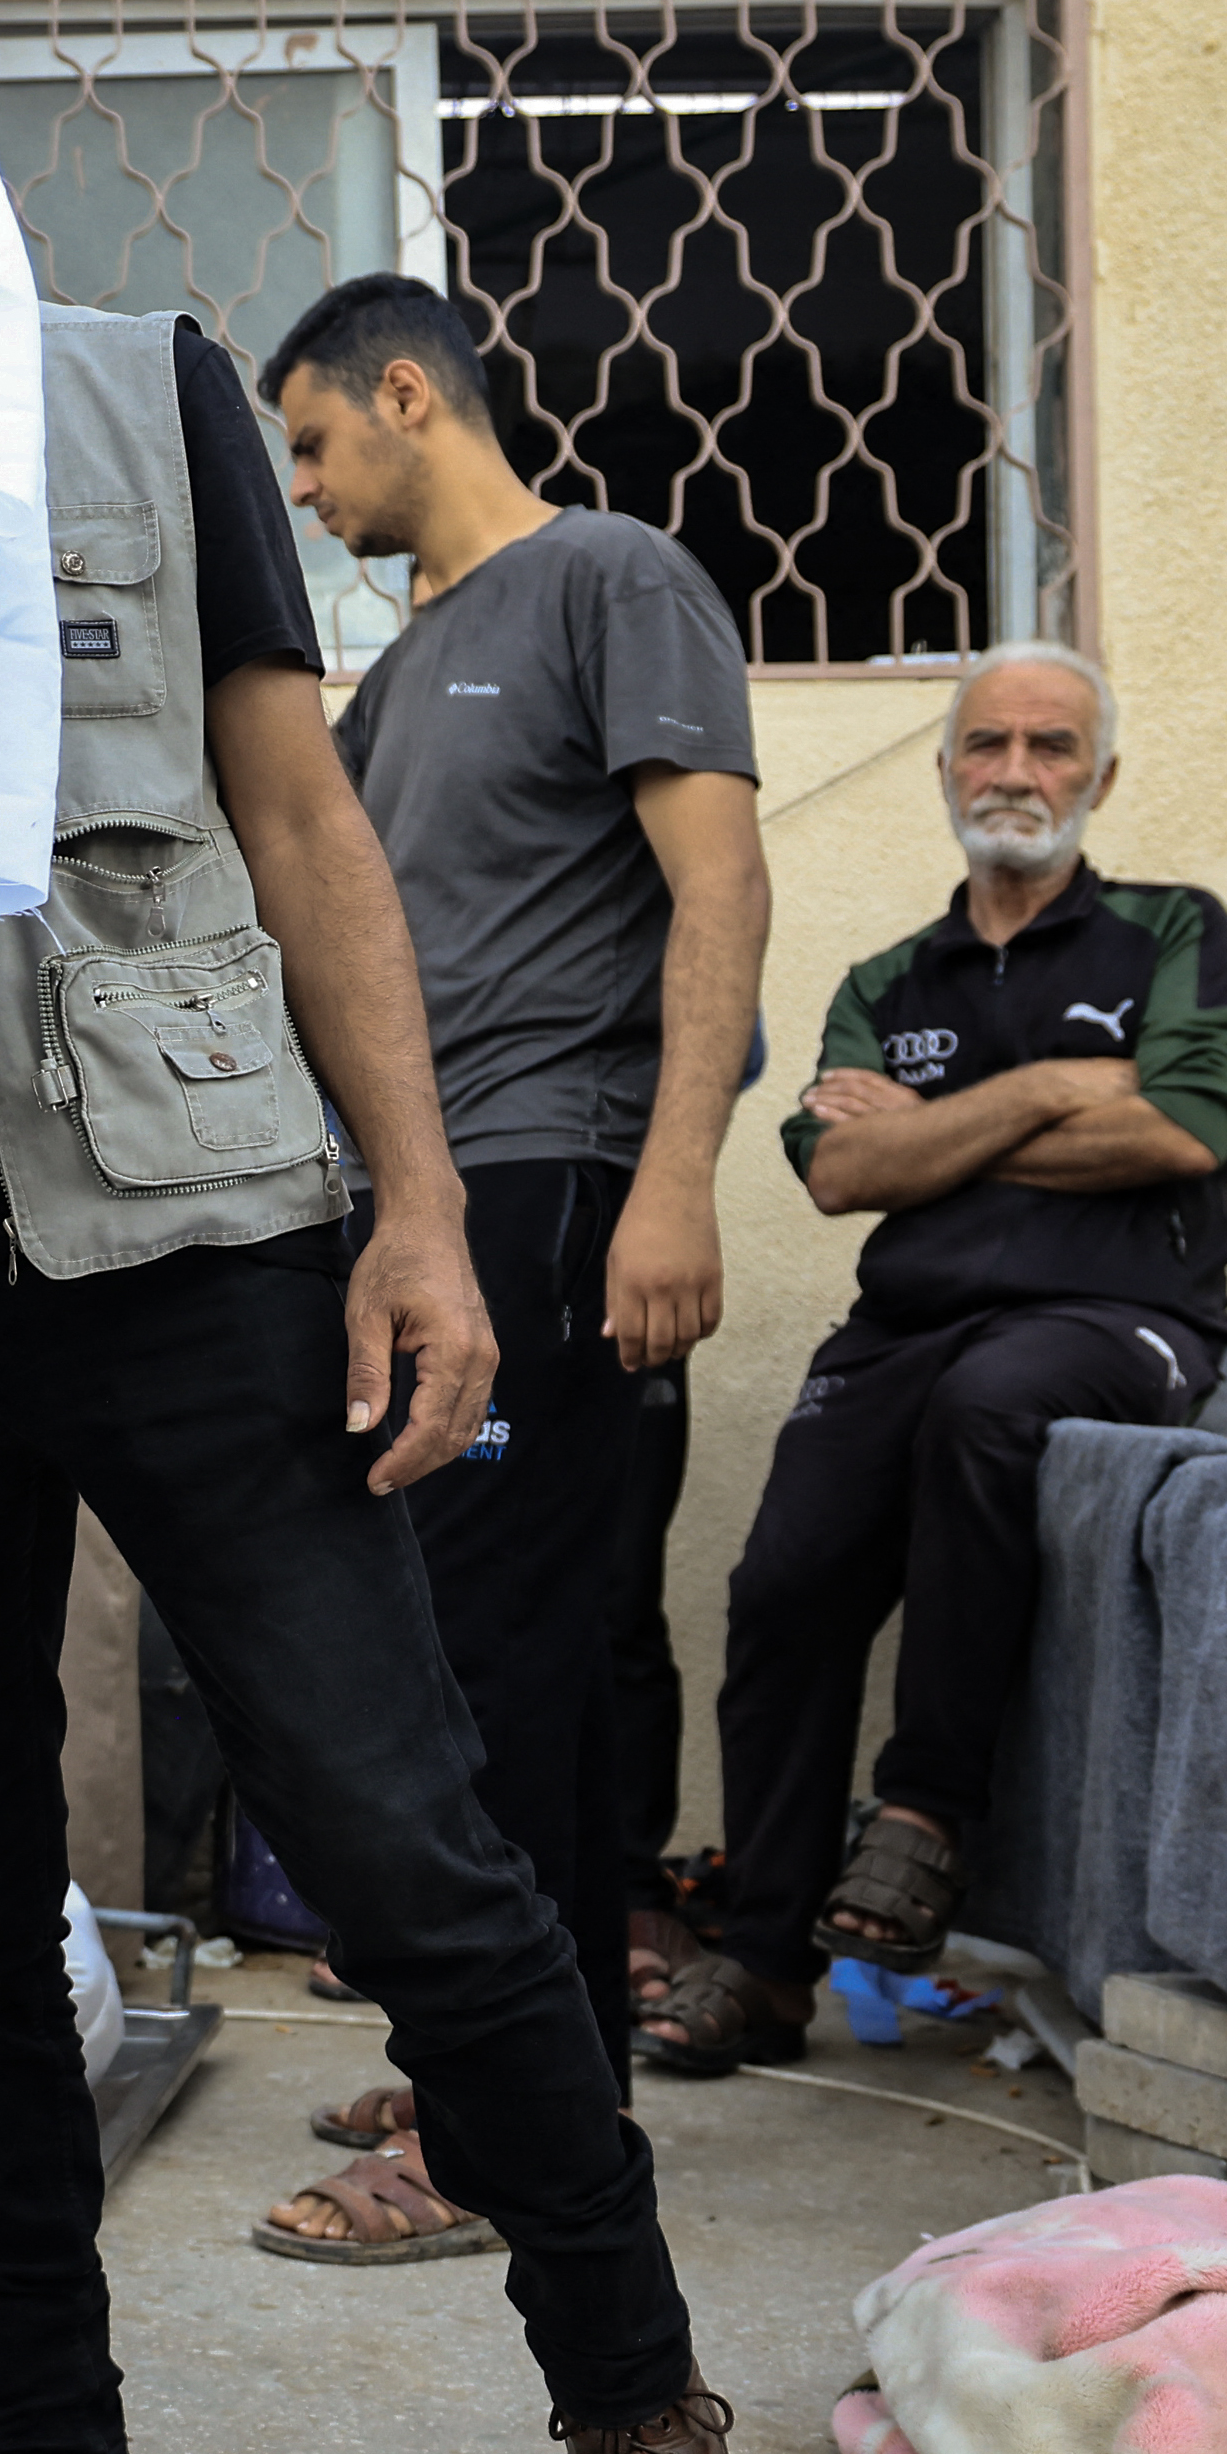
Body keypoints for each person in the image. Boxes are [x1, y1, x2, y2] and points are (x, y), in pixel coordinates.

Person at [0, 0, 785, 2454]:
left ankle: (647, 2441)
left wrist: (416, 1204)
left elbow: (294, 809)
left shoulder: (127, 382)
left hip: (188, 1223)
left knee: (424, 1866)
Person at [261, 274, 772, 2099]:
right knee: (479, 1659)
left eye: (314, 442)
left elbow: (718, 888)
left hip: (560, 1192)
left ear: (408, 395)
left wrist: (675, 1186)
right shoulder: (398, 669)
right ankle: (507, 2063)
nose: (305, 489)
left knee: (497, 1658)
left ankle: (507, 2117)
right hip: (438, 1215)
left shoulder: (611, 578)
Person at [642, 645, 1227, 2074]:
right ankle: (760, 1961)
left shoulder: (1172, 931)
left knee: (990, 1407)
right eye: (983, 743)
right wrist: (1058, 1085)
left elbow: (1182, 1129)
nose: (1012, 771)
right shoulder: (885, 979)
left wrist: (931, 1132)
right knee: (782, 1579)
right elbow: (835, 1168)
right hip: (899, 1328)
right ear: (943, 772)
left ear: (1095, 777)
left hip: (1114, 1318)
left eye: (1048, 746)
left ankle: (925, 1811)